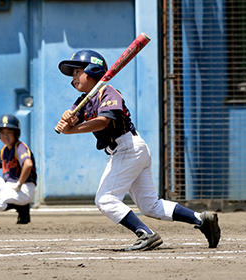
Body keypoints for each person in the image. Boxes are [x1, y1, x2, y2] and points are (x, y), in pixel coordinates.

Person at [56, 50, 221, 251]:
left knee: (105, 199)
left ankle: (146, 234)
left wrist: (72, 130)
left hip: (128, 149)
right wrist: (69, 118)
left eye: (77, 72)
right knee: (150, 205)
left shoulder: (108, 92)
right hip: (127, 151)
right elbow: (75, 117)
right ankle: (201, 220)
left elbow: (102, 122)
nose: (73, 78)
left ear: (93, 70)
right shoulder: (84, 100)